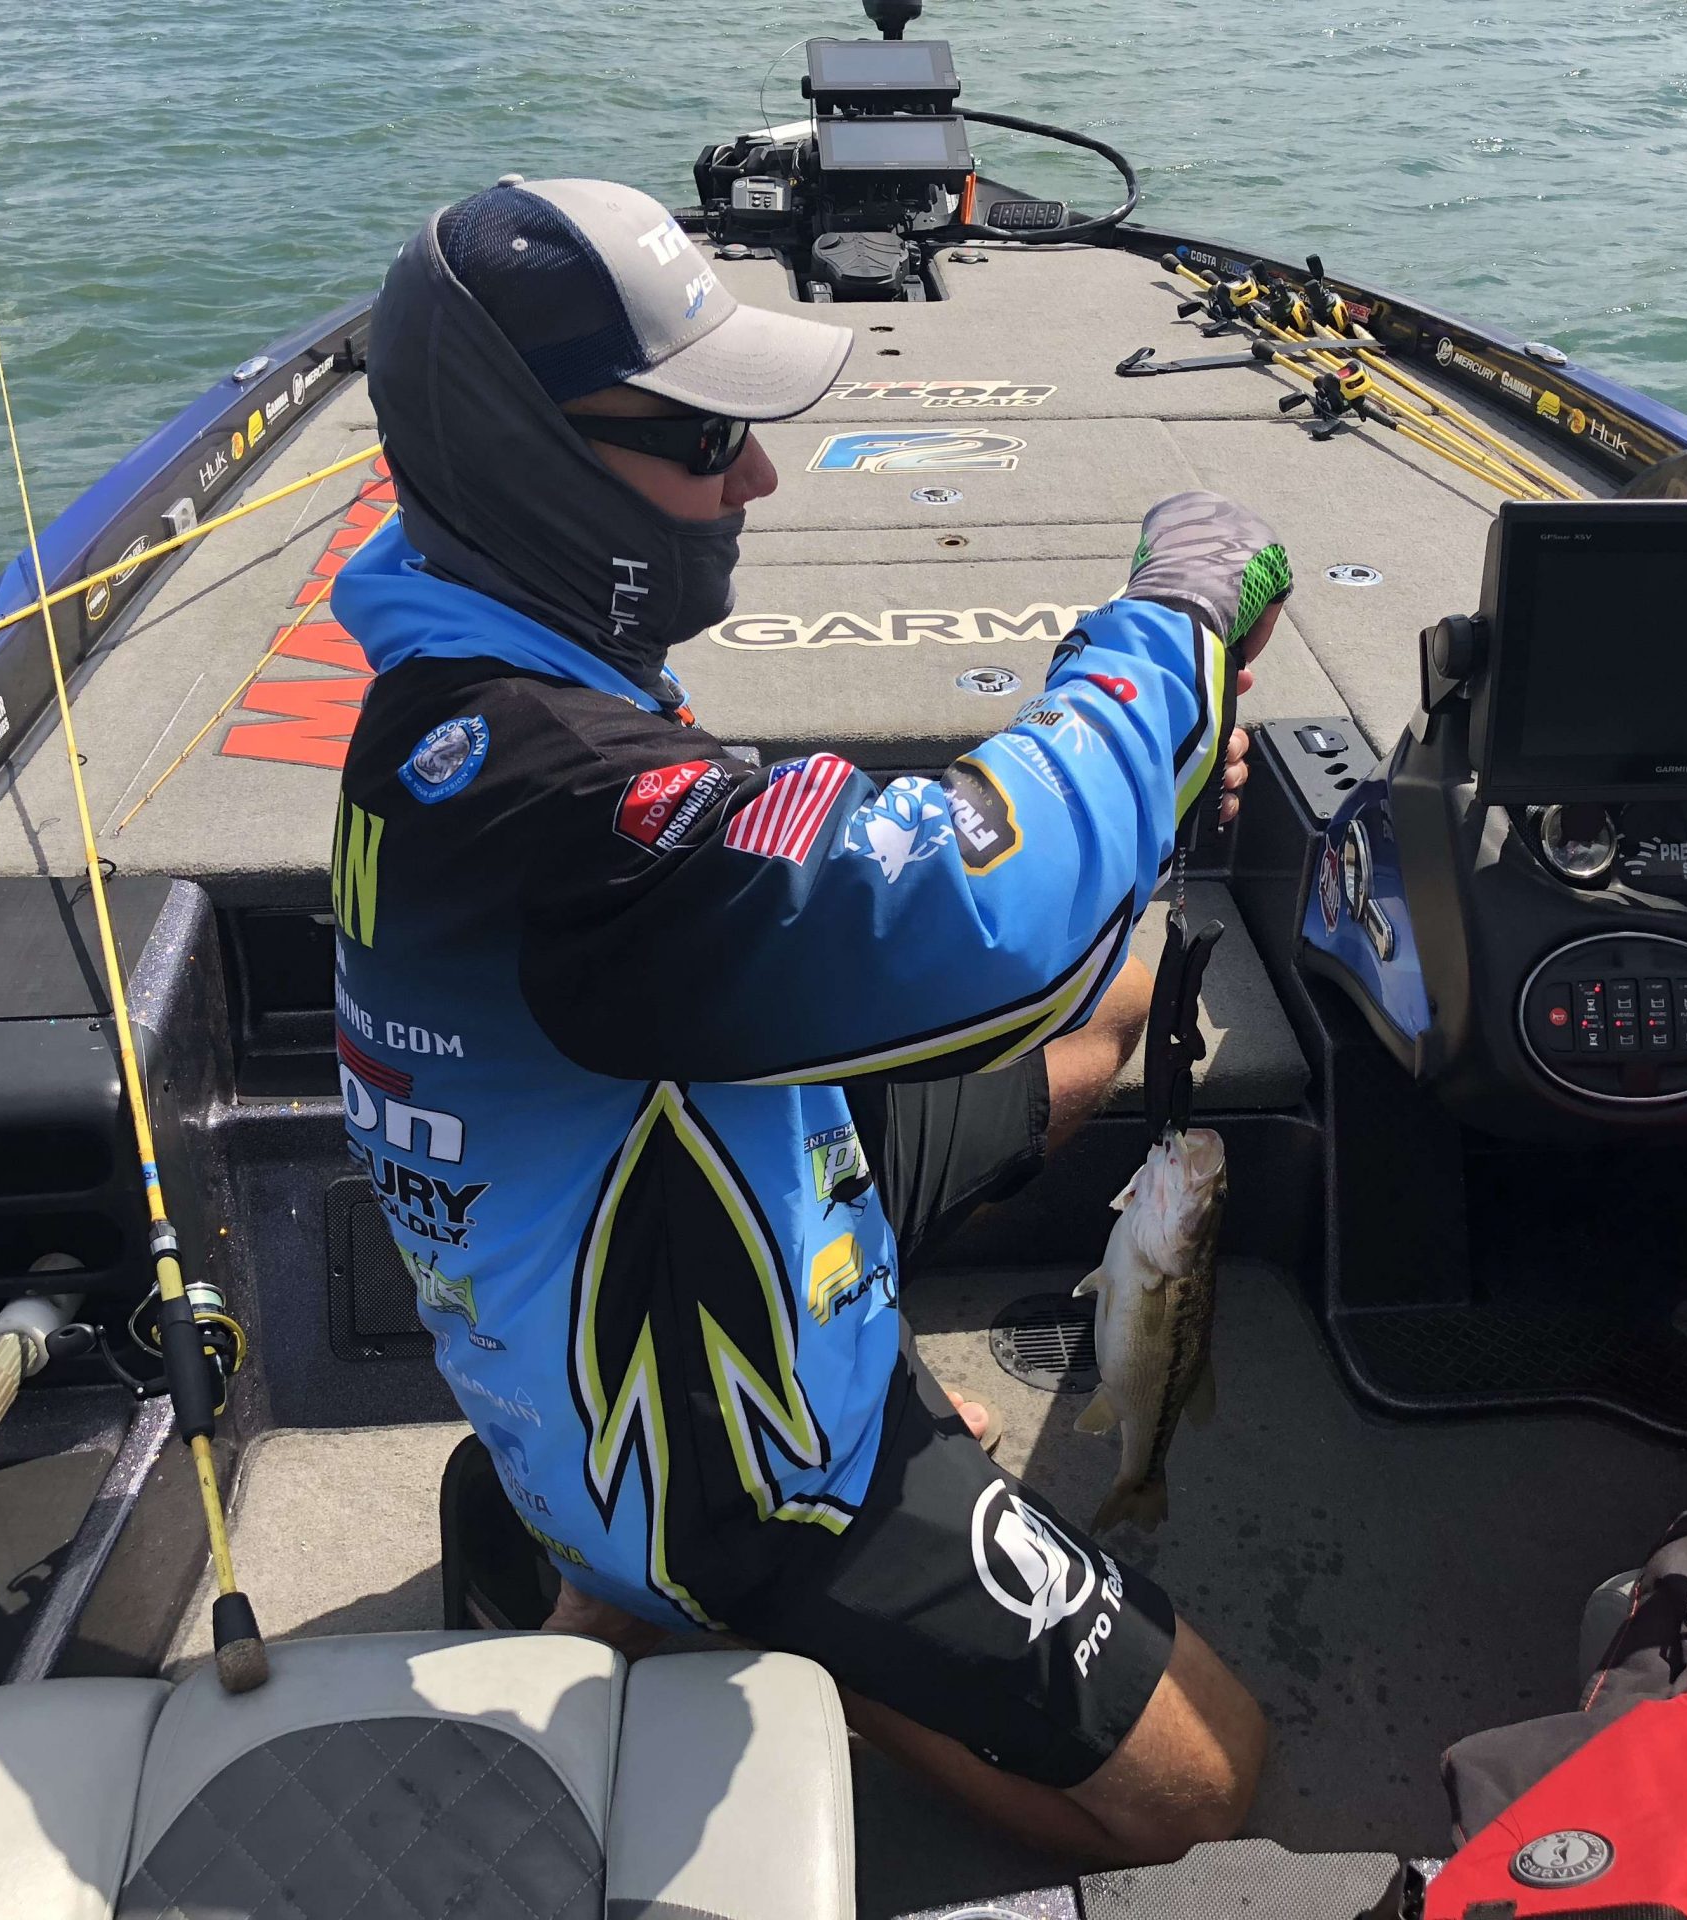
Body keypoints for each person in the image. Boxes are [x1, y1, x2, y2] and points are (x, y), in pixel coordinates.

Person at [327, 174, 1287, 1866]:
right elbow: (984, 906)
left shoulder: (459, 686)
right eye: (702, 442)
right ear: (530, 460)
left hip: (675, 1164)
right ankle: (782, 1644)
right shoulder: (567, 815)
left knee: (1111, 1016)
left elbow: (1037, 965)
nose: (755, 476)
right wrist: (1172, 639)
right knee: (1206, 1783)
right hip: (715, 1452)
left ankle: (616, 1553)